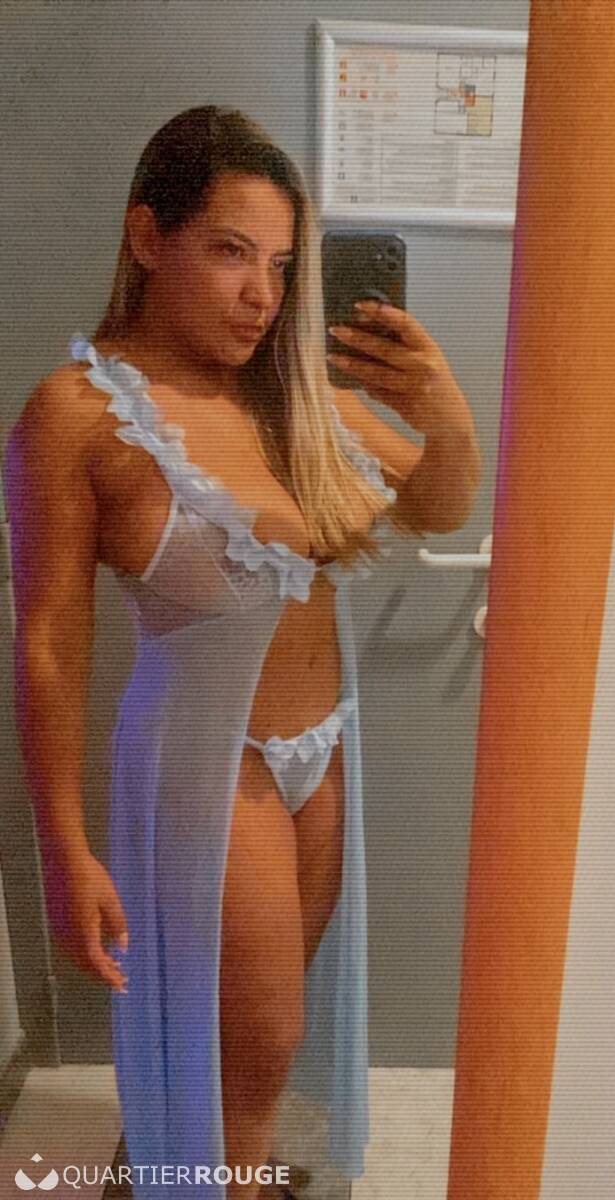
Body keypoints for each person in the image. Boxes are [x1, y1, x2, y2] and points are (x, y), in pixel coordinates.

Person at [3, 105, 481, 1200]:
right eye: (230, 251)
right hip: (212, 764)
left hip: (323, 751)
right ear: (146, 235)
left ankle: (214, 1169)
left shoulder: (296, 398)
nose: (261, 294)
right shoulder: (77, 416)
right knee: (266, 1032)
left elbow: (439, 503)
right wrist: (65, 850)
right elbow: (48, 645)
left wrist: (442, 409)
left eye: (279, 265)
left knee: (253, 1020)